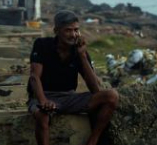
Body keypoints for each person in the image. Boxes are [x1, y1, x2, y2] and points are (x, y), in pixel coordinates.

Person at [28, 10, 119, 145]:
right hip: (43, 95)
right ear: (57, 30)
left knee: (112, 96)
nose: (73, 35)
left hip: (69, 97)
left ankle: (93, 141)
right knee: (42, 116)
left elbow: (95, 89)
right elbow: (34, 77)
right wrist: (43, 101)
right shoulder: (42, 45)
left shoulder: (79, 51)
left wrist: (82, 56)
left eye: (76, 30)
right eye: (68, 30)